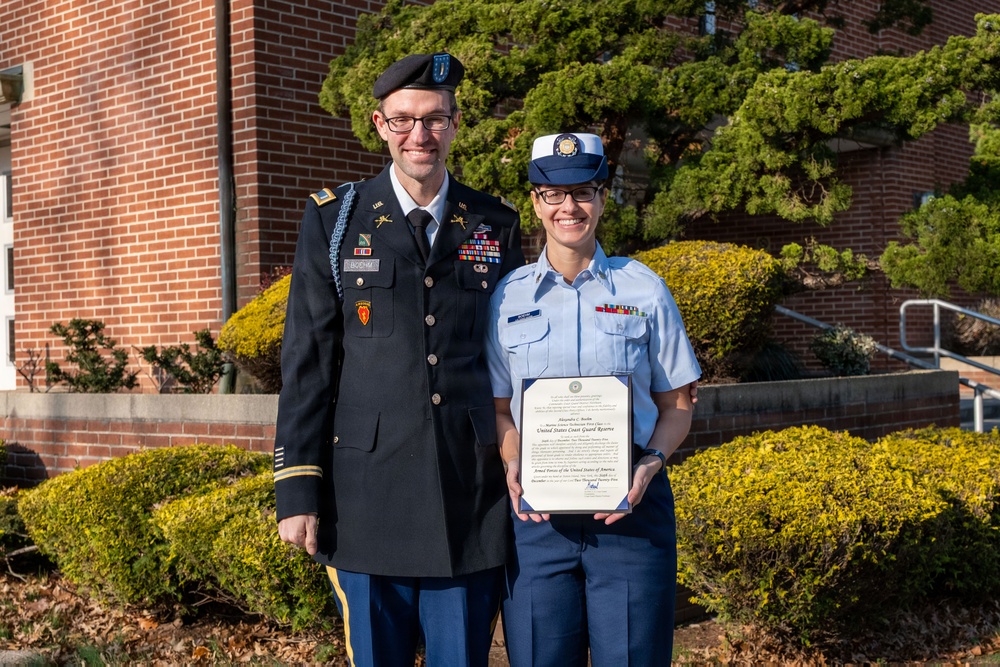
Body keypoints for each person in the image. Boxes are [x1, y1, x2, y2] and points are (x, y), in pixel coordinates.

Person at [273, 53, 525, 666]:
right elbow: (309, 358)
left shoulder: (494, 221)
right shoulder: (336, 219)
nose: (421, 136)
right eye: (405, 121)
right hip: (365, 497)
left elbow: (516, 355)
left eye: (436, 120)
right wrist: (297, 489)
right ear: (380, 125)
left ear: (456, 124)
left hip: (469, 492)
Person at [485, 132, 701, 666]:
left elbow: (678, 405)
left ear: (604, 197)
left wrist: (650, 464)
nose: (569, 207)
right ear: (535, 202)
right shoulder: (507, 297)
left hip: (630, 511)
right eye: (554, 194)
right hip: (537, 524)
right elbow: (498, 409)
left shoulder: (643, 288)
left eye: (582, 191)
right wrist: (511, 460)